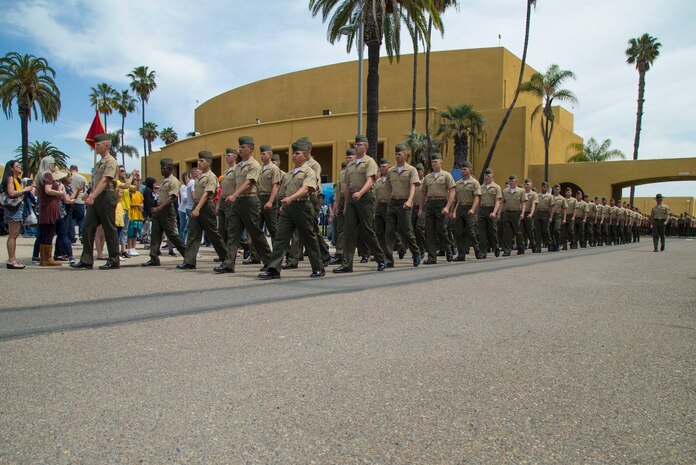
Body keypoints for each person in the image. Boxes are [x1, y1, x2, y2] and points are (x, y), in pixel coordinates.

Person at [258, 140, 325, 279]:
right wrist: (282, 205)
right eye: (293, 153)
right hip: (288, 209)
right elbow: (282, 192)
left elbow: (306, 189)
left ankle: (318, 267)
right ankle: (273, 269)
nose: (294, 156)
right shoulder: (288, 174)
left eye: (297, 153)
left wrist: (291, 198)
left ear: (305, 155)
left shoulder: (309, 172)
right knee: (280, 239)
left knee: (309, 238)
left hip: (303, 206)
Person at [214, 136, 271, 274]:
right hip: (237, 202)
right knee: (233, 233)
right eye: (239, 147)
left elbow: (249, 182)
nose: (240, 149)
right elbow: (232, 184)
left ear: (251, 149)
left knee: (255, 233)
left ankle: (270, 262)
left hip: (249, 200)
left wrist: (234, 195)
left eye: (243, 147)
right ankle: (228, 264)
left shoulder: (254, 165)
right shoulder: (238, 166)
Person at [334, 135, 387, 273]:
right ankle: (347, 264)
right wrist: (345, 205)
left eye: (359, 145)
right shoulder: (350, 165)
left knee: (367, 230)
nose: (356, 147)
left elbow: (370, 181)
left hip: (365, 198)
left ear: (366, 147)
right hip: (352, 198)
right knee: (349, 231)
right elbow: (347, 187)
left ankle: (381, 258)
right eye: (355, 145)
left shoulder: (370, 162)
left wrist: (360, 193)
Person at [72, 133, 122, 270]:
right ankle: (86, 259)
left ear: (107, 145)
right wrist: (90, 194)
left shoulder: (111, 161)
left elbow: (105, 181)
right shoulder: (99, 162)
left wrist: (92, 197)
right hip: (97, 196)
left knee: (109, 229)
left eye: (98, 145)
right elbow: (96, 182)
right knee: (87, 228)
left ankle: (113, 260)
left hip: (106, 196)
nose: (96, 147)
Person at [179, 151, 227, 269]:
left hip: (205, 206)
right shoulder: (199, 177)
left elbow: (206, 194)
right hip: (197, 205)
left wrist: (197, 209)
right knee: (193, 234)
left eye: (202, 161)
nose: (199, 163)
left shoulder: (211, 176)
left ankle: (227, 259)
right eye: (199, 160)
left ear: (209, 162)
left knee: (213, 234)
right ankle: (189, 261)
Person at [142, 159, 187, 266]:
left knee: (172, 235)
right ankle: (154, 258)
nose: (162, 169)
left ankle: (188, 255)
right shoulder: (162, 181)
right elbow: (160, 197)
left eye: (164, 167)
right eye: (161, 167)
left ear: (170, 168)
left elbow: (172, 198)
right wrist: (156, 207)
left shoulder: (174, 181)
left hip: (167, 210)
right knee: (155, 235)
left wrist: (159, 208)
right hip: (158, 209)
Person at [384, 143, 422, 267]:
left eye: (399, 154)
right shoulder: (391, 171)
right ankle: (389, 259)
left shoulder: (411, 170)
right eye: (395, 154)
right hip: (393, 202)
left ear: (405, 155)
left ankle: (416, 253)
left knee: (407, 230)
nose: (397, 156)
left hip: (404, 202)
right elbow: (388, 187)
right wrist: (388, 201)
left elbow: (413, 186)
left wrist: (410, 201)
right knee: (389, 231)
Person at [418, 153, 456, 264]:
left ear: (441, 162)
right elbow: (423, 193)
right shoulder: (428, 177)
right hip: (430, 203)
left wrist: (447, 207)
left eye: (436, 161)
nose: (433, 163)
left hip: (442, 203)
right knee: (429, 231)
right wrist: (421, 208)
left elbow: (452, 192)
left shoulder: (446, 175)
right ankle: (431, 257)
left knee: (441, 230)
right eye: (432, 162)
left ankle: (448, 249)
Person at [35, 156, 71, 267]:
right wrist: (59, 193)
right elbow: (48, 190)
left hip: (44, 205)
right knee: (49, 232)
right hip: (50, 206)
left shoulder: (40, 175)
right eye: (53, 164)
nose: (55, 166)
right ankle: (47, 258)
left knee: (45, 232)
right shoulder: (48, 175)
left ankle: (44, 258)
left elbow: (38, 192)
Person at [1, 160, 33, 269]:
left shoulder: (17, 180)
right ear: (11, 168)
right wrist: (26, 189)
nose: (20, 167)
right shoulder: (10, 178)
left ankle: (12, 259)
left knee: (14, 235)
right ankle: (11, 260)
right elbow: (11, 193)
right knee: (13, 235)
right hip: (13, 209)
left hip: (17, 208)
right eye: (17, 165)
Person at [477, 168, 502, 259]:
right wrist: (477, 213)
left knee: (493, 231)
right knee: (482, 232)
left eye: (488, 175)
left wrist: (494, 212)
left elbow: (498, 201)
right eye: (485, 175)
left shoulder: (496, 187)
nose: (486, 177)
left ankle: (496, 246)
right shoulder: (480, 187)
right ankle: (483, 252)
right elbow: (478, 201)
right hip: (483, 209)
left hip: (491, 208)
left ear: (492, 176)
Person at [500, 175, 526, 256]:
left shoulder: (521, 191)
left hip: (516, 212)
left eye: (513, 181)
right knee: (507, 232)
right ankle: (507, 250)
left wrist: (522, 213)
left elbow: (523, 203)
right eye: (510, 181)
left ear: (516, 182)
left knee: (517, 231)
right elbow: (502, 203)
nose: (511, 183)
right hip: (507, 212)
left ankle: (521, 247)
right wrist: (499, 213)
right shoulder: (505, 191)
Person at [373, 158, 392, 265]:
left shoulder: (392, 180)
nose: (382, 168)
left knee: (389, 232)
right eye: (381, 167)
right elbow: (375, 197)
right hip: (379, 206)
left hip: (389, 205)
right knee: (379, 232)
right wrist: (374, 211)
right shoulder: (378, 181)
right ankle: (381, 255)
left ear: (389, 167)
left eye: (384, 166)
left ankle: (393, 252)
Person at [69, 164, 87, 243]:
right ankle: (82, 236)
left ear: (70, 169)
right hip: (80, 201)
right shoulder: (82, 178)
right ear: (77, 169)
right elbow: (85, 190)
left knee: (72, 220)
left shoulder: (68, 177)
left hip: (70, 200)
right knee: (81, 220)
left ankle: (72, 238)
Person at [533, 181, 553, 253]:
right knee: (537, 231)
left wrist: (551, 217)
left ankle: (550, 243)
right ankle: (538, 247)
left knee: (545, 230)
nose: (543, 188)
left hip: (546, 213)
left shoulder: (550, 196)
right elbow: (535, 205)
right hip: (538, 213)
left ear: (547, 187)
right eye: (542, 186)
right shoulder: (537, 195)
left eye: (545, 186)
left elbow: (551, 207)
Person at [127, 181, 144, 256]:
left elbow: (142, 202)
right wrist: (137, 205)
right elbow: (129, 204)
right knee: (130, 233)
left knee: (135, 233)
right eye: (133, 184)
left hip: (138, 214)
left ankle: (134, 248)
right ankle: (129, 248)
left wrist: (141, 205)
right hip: (132, 214)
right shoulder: (129, 193)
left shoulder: (139, 193)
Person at [549, 184, 568, 252]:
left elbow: (565, 209)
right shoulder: (550, 197)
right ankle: (553, 244)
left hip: (558, 215)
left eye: (557, 189)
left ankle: (558, 244)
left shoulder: (562, 198)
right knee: (550, 231)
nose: (556, 190)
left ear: (559, 190)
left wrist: (564, 218)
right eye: (554, 189)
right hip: (550, 215)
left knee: (556, 230)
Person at [522, 178, 538, 252]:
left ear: (531, 184)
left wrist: (531, 214)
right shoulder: (522, 193)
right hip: (521, 214)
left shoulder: (534, 194)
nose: (526, 185)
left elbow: (533, 205)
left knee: (530, 230)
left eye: (527, 184)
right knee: (522, 230)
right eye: (525, 184)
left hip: (529, 214)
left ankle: (533, 244)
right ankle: (523, 245)